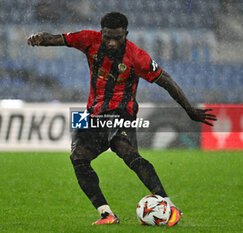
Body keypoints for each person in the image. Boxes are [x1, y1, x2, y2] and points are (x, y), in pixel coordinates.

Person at [27, 12, 217, 226]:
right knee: (77, 157)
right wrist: (40, 39)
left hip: (121, 112)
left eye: (117, 37)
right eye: (107, 36)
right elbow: (56, 38)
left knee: (126, 151)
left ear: (126, 34)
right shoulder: (88, 39)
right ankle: (106, 214)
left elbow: (167, 81)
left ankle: (168, 205)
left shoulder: (137, 56)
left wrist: (190, 109)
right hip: (91, 113)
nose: (111, 42)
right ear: (101, 32)